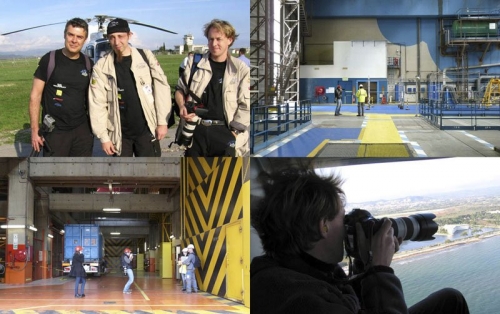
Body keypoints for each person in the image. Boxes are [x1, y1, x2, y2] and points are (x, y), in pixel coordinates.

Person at [251, 167, 470, 314]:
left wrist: (365, 266)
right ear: (323, 226)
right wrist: (380, 271)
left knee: (449, 300)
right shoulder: (301, 300)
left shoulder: (291, 271)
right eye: (341, 216)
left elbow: (351, 303)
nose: (346, 225)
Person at [88, 18, 171, 157]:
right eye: (112, 38)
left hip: (146, 130)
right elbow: (97, 103)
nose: (116, 42)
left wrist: (162, 122)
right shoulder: (101, 67)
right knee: (122, 176)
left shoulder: (146, 56)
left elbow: (161, 87)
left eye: (121, 36)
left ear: (129, 35)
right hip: (119, 134)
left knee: (150, 174)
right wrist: (104, 137)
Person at [175, 19, 250, 157]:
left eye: (218, 39)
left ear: (230, 40)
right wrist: (181, 106)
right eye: (210, 39)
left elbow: (246, 105)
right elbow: (180, 90)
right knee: (194, 176)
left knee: (225, 177)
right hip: (196, 131)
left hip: (225, 132)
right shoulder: (194, 64)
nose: (214, 44)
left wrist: (234, 133)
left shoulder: (240, 69)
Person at [29, 18, 94, 156]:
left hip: (82, 130)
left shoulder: (88, 64)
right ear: (65, 34)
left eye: (79, 37)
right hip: (55, 131)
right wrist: (35, 130)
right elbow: (35, 95)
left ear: (85, 39)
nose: (74, 40)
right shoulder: (50, 59)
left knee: (82, 174)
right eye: (71, 35)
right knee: (55, 175)